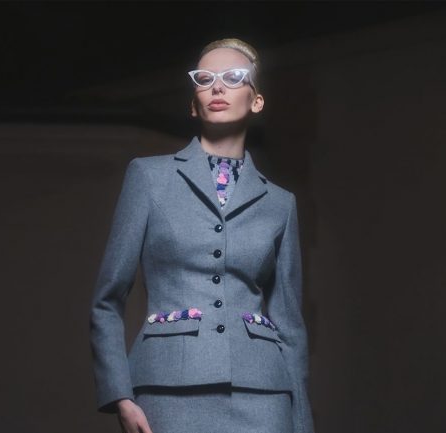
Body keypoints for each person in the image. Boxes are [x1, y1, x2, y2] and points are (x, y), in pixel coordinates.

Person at [89, 38, 315, 433]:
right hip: (167, 389)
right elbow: (107, 300)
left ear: (256, 101)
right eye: (205, 78)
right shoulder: (148, 178)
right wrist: (120, 395)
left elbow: (290, 325)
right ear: (193, 104)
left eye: (234, 77)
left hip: (264, 396)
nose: (218, 86)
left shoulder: (281, 203)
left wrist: (301, 423)